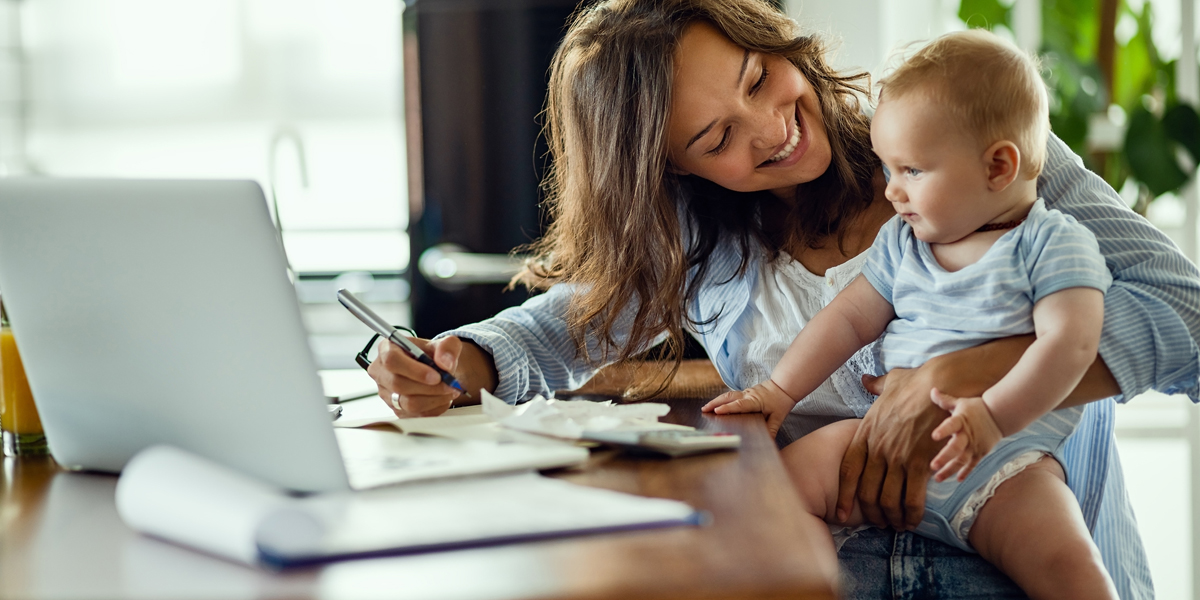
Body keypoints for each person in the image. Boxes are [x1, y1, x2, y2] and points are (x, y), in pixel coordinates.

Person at [367, 0, 1200, 597]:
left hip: (1022, 556)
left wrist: (967, 373)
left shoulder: (969, 139)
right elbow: (563, 326)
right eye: (717, 137)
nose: (771, 127)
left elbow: (1189, 320)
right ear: (673, 171)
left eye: (759, 78)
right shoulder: (704, 242)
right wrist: (459, 358)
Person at [703, 30, 1117, 598]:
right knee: (773, 494)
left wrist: (992, 417)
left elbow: (1072, 346)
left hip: (1006, 465)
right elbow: (847, 321)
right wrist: (779, 390)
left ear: (998, 168)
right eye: (887, 169)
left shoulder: (1053, 245)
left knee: (1071, 568)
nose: (892, 192)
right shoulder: (904, 243)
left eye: (912, 172)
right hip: (876, 442)